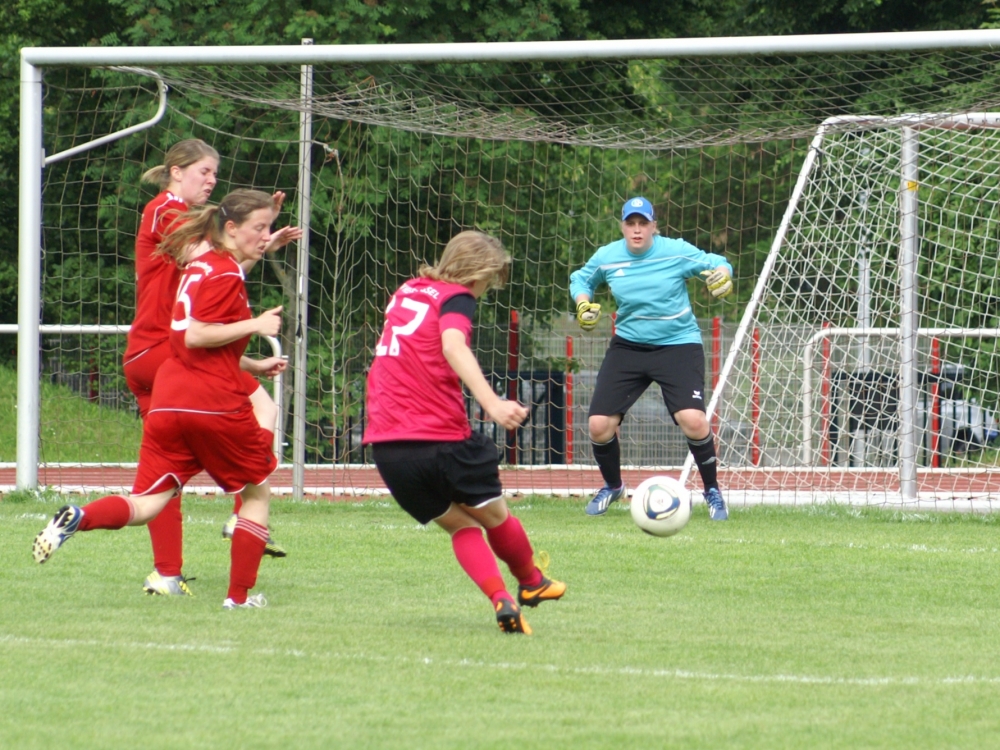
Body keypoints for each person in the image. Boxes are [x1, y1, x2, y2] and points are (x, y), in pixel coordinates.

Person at [34, 190, 286, 610]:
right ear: (230, 228)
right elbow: (197, 334)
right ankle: (238, 599)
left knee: (148, 503)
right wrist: (255, 323)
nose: (265, 235)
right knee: (257, 494)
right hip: (213, 400)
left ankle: (80, 517)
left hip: (171, 398)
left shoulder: (202, 266)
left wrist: (253, 367)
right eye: (258, 228)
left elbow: (197, 338)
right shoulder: (223, 273)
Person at [363, 230, 566, 635]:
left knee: (461, 525)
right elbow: (453, 345)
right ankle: (530, 583)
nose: (487, 289)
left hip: (387, 448)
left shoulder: (408, 290)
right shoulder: (457, 297)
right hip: (441, 438)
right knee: (494, 514)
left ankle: (500, 599)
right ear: (478, 274)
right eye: (489, 281)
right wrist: (493, 404)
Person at [124, 139, 299, 596]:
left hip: (151, 354)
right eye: (204, 171)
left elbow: (214, 261)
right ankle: (247, 504)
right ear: (175, 171)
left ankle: (166, 573)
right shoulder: (164, 207)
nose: (211, 180)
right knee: (263, 410)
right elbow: (203, 257)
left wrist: (261, 236)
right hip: (169, 351)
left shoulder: (189, 229)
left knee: (164, 478)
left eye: (215, 174)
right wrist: (252, 231)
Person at [570, 196, 734, 519]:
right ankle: (613, 486)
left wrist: (724, 275)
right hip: (629, 346)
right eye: (630, 223)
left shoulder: (674, 250)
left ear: (654, 227)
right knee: (599, 425)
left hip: (678, 344)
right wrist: (582, 303)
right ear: (622, 227)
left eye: (643, 223)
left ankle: (713, 491)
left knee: (694, 420)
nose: (636, 230)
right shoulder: (608, 257)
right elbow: (581, 278)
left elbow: (716, 261)